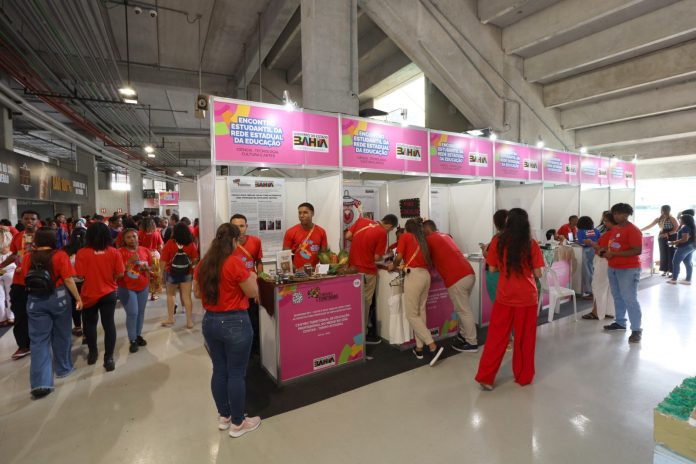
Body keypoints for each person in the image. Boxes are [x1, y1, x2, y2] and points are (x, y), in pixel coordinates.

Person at [193, 223, 261, 437]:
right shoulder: (235, 263)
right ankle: (239, 423)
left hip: (210, 322)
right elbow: (251, 293)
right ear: (233, 241)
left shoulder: (203, 263)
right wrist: (252, 278)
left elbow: (196, 294)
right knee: (236, 374)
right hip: (235, 323)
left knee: (219, 370)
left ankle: (225, 416)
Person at [475, 208, 545, 390]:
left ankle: (486, 377)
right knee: (525, 339)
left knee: (496, 338)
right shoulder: (532, 244)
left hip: (505, 296)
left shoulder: (498, 241)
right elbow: (538, 272)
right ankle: (524, 376)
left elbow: (491, 269)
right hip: (527, 298)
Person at [20, 227, 82, 399]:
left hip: (35, 300)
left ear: (36, 241)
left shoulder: (27, 257)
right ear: (54, 240)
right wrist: (78, 298)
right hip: (59, 297)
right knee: (62, 335)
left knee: (38, 341)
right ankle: (63, 368)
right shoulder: (60, 255)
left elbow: (25, 276)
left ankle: (41, 383)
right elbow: (68, 279)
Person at [388, 218, 444, 366]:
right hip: (426, 276)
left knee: (411, 314)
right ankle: (419, 348)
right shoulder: (423, 239)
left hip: (413, 277)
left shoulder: (405, 236)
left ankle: (432, 345)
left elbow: (399, 257)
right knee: (420, 312)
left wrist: (393, 265)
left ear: (406, 229)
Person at [75, 223, 125, 371]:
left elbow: (79, 275)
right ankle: (108, 357)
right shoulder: (114, 252)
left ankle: (93, 353)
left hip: (89, 294)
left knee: (89, 325)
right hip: (109, 293)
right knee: (109, 324)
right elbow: (120, 274)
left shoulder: (82, 253)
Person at [423, 220, 478, 353]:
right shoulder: (445, 236)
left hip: (456, 278)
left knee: (463, 310)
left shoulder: (429, 240)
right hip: (468, 273)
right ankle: (464, 335)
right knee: (462, 309)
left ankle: (472, 342)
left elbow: (425, 259)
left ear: (426, 230)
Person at [346, 213, 398, 345]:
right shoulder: (381, 233)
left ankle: (349, 334)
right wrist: (387, 258)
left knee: (352, 303)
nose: (389, 232)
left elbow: (348, 236)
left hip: (352, 269)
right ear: (390, 226)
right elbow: (376, 258)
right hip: (367, 272)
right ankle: (360, 341)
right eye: (391, 230)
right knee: (365, 304)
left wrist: (361, 245)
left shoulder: (362, 221)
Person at [0, 210, 40, 360]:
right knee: (20, 314)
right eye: (26, 218)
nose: (29, 221)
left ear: (37, 221)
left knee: (40, 313)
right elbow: (15, 254)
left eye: (32, 219)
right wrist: (2, 264)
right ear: (22, 220)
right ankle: (23, 345)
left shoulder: (44, 235)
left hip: (38, 281)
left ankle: (42, 341)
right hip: (19, 281)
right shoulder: (17, 236)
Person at [603, 203, 643, 344]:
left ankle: (636, 329)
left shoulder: (633, 230)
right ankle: (620, 322)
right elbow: (614, 246)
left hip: (629, 269)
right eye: (614, 213)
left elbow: (637, 250)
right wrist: (607, 253)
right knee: (617, 296)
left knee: (629, 298)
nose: (616, 216)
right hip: (613, 267)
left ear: (626, 214)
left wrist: (613, 253)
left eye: (619, 213)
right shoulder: (615, 229)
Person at [230, 214, 263, 355]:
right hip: (234, 291)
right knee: (237, 322)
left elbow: (259, 262)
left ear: (247, 226)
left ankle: (255, 349)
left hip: (251, 289)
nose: (239, 229)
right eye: (236, 226)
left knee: (254, 320)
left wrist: (260, 285)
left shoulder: (255, 241)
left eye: (242, 226)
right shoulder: (228, 244)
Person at [117, 229, 153, 353]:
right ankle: (132, 339)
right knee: (133, 313)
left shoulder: (145, 250)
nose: (132, 239)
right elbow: (118, 273)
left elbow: (151, 266)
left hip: (143, 286)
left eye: (134, 236)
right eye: (128, 237)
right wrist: (129, 262)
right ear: (124, 240)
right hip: (126, 287)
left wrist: (147, 268)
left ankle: (138, 335)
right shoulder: (119, 252)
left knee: (141, 312)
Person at [160, 222, 199, 328]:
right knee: (187, 296)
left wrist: (160, 274)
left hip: (171, 272)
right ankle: (189, 321)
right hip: (186, 273)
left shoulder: (169, 243)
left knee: (171, 295)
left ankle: (170, 318)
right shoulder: (191, 244)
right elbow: (195, 259)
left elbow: (163, 260)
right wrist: (190, 264)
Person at [582, 212, 616, 320]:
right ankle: (608, 311)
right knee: (609, 287)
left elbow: (602, 248)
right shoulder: (617, 232)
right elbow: (613, 246)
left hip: (603, 261)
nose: (604, 223)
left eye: (606, 221)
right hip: (610, 262)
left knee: (598, 286)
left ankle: (596, 312)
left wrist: (591, 243)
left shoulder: (609, 233)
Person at [283, 203, 328, 270]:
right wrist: (295, 270)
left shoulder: (321, 232)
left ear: (312, 213)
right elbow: (285, 256)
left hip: (315, 273)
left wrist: (318, 269)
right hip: (297, 274)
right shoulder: (290, 232)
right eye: (300, 213)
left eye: (305, 213)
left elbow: (324, 256)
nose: (302, 215)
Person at [66, 218, 88, 338]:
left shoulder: (66, 250)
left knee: (76, 304)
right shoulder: (89, 251)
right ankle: (86, 328)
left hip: (71, 283)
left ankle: (78, 326)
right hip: (87, 282)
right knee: (87, 305)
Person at [641, 205, 679, 277]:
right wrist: (639, 230)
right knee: (663, 253)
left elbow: (677, 228)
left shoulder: (672, 218)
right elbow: (649, 226)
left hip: (672, 237)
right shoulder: (659, 219)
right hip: (662, 236)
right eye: (663, 210)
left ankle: (671, 271)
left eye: (664, 210)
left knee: (671, 253)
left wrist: (667, 233)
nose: (663, 211)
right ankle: (664, 270)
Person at [138, 217, 164, 301]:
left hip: (143, 255)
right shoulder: (156, 233)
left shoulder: (139, 233)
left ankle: (143, 293)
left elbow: (137, 246)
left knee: (143, 275)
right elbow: (160, 246)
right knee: (155, 275)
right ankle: (153, 295)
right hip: (154, 255)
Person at [667, 214, 696, 285]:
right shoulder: (692, 227)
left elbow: (684, 239)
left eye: (681, 219)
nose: (680, 220)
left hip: (684, 246)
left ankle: (674, 279)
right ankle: (688, 279)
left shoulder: (686, 227)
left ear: (685, 220)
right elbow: (678, 232)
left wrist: (673, 242)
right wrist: (680, 226)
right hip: (692, 246)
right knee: (688, 262)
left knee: (675, 261)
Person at [576, 216, 600, 300]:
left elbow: (580, 241)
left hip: (586, 252)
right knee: (595, 271)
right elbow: (600, 240)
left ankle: (590, 292)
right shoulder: (596, 231)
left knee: (587, 272)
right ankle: (596, 291)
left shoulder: (580, 232)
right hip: (595, 252)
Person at [0, 228, 15, 327]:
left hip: (5, 268)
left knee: (0, 297)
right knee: (10, 295)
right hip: (10, 268)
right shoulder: (9, 236)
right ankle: (11, 316)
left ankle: (2, 318)